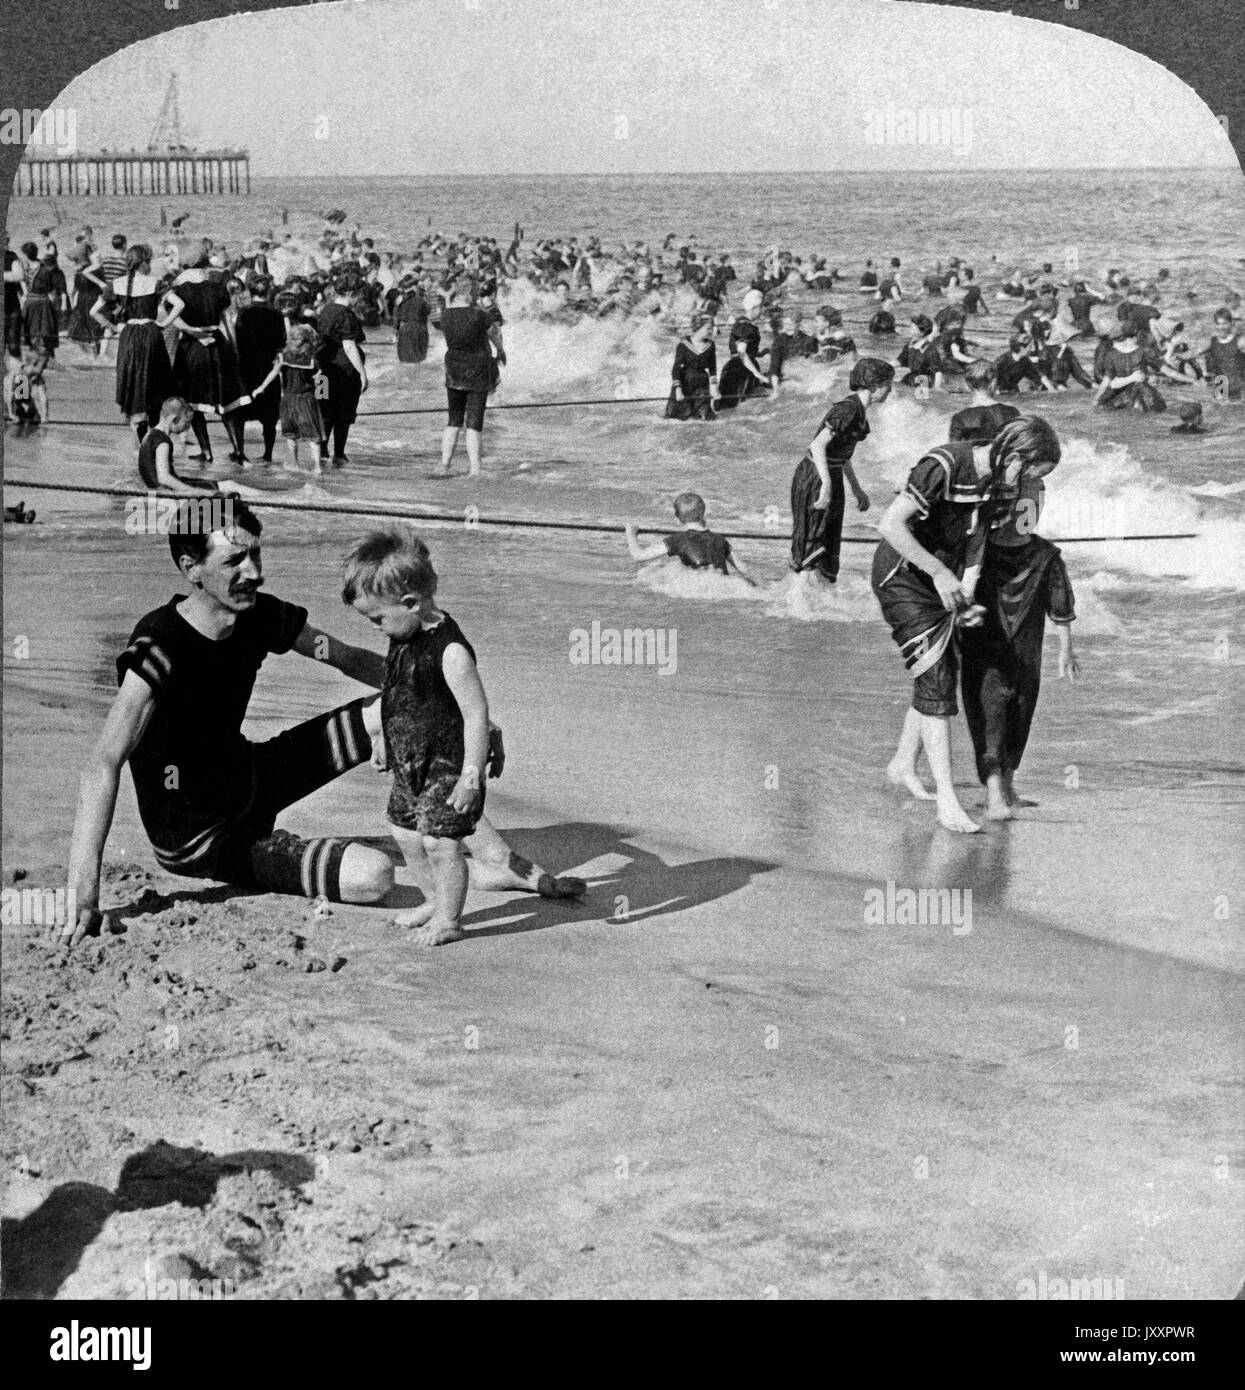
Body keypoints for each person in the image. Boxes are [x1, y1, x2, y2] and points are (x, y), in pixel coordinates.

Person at [62, 499, 397, 948]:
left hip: (250, 778)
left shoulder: (260, 615)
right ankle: (272, 854)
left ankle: (485, 852)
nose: (254, 572)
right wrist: (84, 899)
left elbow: (345, 657)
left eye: (255, 555)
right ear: (192, 569)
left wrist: (457, 704)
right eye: (235, 560)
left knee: (397, 708)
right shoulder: (160, 647)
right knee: (374, 876)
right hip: (198, 836)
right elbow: (102, 763)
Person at [871, 415, 1062, 833]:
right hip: (903, 577)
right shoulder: (943, 464)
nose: (1028, 484)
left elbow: (975, 541)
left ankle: (904, 762)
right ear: (1013, 456)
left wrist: (967, 592)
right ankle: (947, 802)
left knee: (936, 671)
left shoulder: (997, 480)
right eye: (1030, 473)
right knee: (937, 676)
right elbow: (890, 525)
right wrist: (941, 574)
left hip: (945, 579)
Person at [960, 476, 1078, 820]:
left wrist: (1066, 649)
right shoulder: (979, 551)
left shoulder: (1046, 555)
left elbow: (1060, 603)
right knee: (989, 709)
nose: (1028, 512)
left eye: (1034, 505)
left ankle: (1008, 782)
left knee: (1021, 710)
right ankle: (994, 790)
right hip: (984, 647)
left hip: (1027, 653)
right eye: (1024, 505)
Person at [789, 358, 894, 584]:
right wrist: (825, 485)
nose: (891, 390)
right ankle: (798, 597)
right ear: (875, 386)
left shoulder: (860, 413)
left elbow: (842, 457)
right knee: (812, 536)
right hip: (815, 475)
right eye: (889, 384)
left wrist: (857, 489)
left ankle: (815, 594)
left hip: (830, 472)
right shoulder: (847, 410)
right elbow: (817, 445)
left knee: (828, 537)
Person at [161, 257, 250, 464]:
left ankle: (206, 451)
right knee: (228, 403)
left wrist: (192, 331)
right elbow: (225, 318)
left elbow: (173, 316)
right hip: (218, 346)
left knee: (194, 403)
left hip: (193, 346)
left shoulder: (179, 291)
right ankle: (239, 451)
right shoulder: (218, 288)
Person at [92, 243, 175, 441]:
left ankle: (141, 437)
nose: (151, 265)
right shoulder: (155, 282)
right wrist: (163, 324)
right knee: (155, 385)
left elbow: (94, 312)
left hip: (128, 336)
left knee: (134, 383)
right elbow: (179, 305)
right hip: (151, 333)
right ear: (143, 262)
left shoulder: (117, 283)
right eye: (149, 261)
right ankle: (154, 438)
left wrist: (114, 328)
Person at [437, 278, 500, 475]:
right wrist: (501, 350)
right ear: (471, 295)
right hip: (477, 371)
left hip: (453, 369)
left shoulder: (446, 315)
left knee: (453, 419)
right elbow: (495, 334)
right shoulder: (479, 315)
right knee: (474, 422)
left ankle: (445, 464)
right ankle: (475, 469)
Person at [624, 491, 754, 583]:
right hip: (722, 583)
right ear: (703, 516)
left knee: (653, 570)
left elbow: (639, 556)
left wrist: (631, 534)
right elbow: (744, 569)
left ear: (677, 519)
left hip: (696, 585)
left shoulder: (678, 540)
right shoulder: (720, 539)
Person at [252, 320, 327, 474]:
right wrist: (322, 396)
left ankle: (295, 463)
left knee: (291, 434)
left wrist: (261, 388)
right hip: (308, 398)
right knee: (314, 435)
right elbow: (321, 376)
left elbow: (274, 373)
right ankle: (318, 466)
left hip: (289, 398)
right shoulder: (312, 356)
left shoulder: (284, 356)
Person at [316, 275, 369, 466]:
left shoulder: (324, 310)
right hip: (344, 370)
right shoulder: (347, 314)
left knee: (323, 409)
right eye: (358, 294)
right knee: (344, 414)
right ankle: (339, 453)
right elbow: (349, 346)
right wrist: (362, 373)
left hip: (322, 369)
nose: (360, 299)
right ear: (350, 293)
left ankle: (321, 451)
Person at [233, 273, 286, 464]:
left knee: (240, 412)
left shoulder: (244, 312)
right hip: (268, 367)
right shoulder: (277, 313)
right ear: (269, 291)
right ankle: (268, 454)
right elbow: (282, 342)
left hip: (246, 367)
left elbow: (237, 340)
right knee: (269, 416)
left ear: (250, 290)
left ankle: (240, 452)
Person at [137, 396, 223, 494]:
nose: (188, 427)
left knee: (209, 482)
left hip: (156, 487)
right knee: (228, 485)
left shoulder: (149, 435)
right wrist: (194, 491)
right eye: (186, 422)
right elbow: (164, 478)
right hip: (166, 490)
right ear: (175, 419)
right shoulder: (162, 442)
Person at [716, 289, 772, 409]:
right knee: (739, 405)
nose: (762, 311)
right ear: (754, 308)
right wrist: (758, 374)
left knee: (727, 406)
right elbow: (741, 353)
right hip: (741, 371)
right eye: (761, 307)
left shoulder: (739, 322)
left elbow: (744, 350)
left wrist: (762, 353)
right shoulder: (747, 327)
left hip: (733, 367)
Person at [1095, 324, 1165, 412]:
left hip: (1129, 393)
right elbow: (1108, 380)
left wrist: (1096, 399)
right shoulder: (1112, 355)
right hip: (1129, 393)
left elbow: (1107, 380)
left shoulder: (1112, 354)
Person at [948, 360, 1020, 443]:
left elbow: (954, 451)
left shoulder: (960, 418)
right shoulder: (1011, 411)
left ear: (967, 384)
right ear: (994, 382)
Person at [22, 250, 67, 375]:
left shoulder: (57, 274)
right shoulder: (45, 272)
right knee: (44, 331)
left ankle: (46, 359)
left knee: (46, 332)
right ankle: (44, 360)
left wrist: (60, 305)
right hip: (47, 304)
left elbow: (61, 290)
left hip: (50, 303)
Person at [665, 314, 719, 420]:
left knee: (706, 419)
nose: (711, 331)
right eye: (708, 328)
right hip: (685, 383)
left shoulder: (711, 345)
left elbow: (713, 368)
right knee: (678, 419)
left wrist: (714, 388)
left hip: (702, 385)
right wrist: (678, 390)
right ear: (698, 327)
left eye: (712, 328)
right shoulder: (683, 345)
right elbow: (676, 369)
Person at [1202, 309, 1245, 401]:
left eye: (1224, 323)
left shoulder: (1241, 341)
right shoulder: (1212, 341)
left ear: (1231, 323)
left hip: (1239, 389)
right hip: (1220, 390)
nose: (1221, 327)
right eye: (1218, 324)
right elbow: (1194, 352)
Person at [394, 277, 431, 364]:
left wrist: (395, 332)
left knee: (404, 359)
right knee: (419, 359)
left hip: (404, 329)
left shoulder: (400, 299)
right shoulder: (421, 299)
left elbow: (396, 317)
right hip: (419, 329)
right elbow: (427, 311)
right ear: (415, 287)